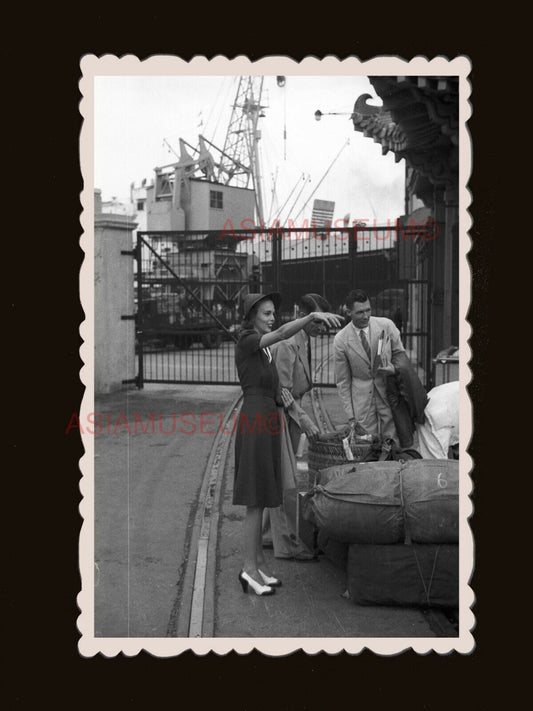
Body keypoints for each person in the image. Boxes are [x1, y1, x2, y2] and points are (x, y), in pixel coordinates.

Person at [234, 292, 342, 596]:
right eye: (266, 314)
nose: (272, 319)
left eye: (272, 314)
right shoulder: (247, 339)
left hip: (267, 418)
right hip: (256, 419)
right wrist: (310, 317)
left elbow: (280, 386)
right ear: (252, 315)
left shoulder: (264, 349)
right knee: (255, 501)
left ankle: (258, 564)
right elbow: (283, 333)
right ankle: (247, 569)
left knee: (266, 493)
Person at [263, 293, 331, 560]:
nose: (322, 327)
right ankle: (287, 542)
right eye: (317, 320)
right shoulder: (289, 344)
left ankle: (269, 535)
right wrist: (306, 421)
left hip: (291, 415)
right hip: (283, 416)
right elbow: (283, 392)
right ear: (302, 315)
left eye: (324, 322)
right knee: (286, 482)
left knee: (281, 477)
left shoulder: (304, 339)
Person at [333, 289, 406, 443]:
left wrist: (394, 369)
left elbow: (402, 358)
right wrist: (350, 415)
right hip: (361, 401)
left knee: (392, 441)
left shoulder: (386, 325)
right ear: (348, 312)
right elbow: (343, 381)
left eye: (368, 310)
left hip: (388, 392)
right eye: (360, 312)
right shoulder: (341, 340)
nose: (365, 316)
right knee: (365, 445)